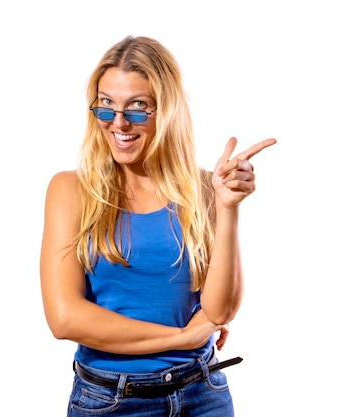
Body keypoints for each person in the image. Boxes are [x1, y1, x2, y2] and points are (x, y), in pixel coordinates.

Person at [40, 35, 276, 417]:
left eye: (137, 108)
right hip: (111, 402)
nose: (118, 123)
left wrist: (228, 207)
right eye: (106, 106)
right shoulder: (70, 190)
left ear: (166, 111)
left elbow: (220, 310)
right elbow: (65, 317)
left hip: (204, 393)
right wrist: (182, 336)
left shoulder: (203, 190)